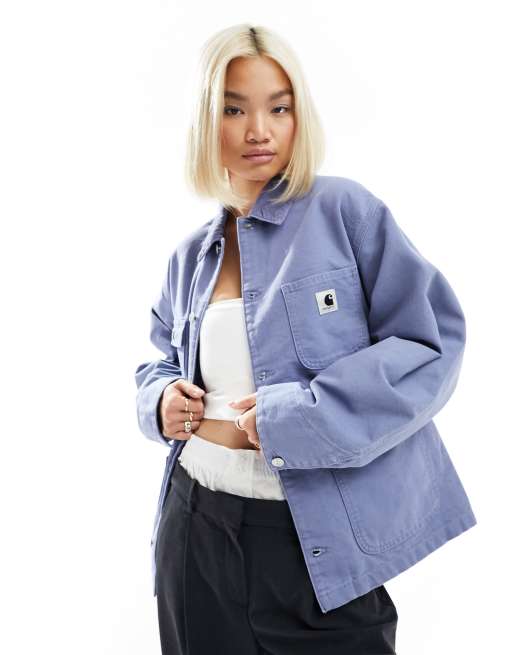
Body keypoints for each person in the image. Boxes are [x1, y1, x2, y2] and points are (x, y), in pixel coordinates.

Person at [134, 24, 477, 655]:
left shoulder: (345, 212)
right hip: (194, 525)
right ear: (206, 122)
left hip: (313, 538)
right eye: (233, 109)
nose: (258, 130)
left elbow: (430, 345)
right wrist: (158, 401)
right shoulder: (189, 257)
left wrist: (305, 415)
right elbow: (158, 360)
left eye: (278, 107)